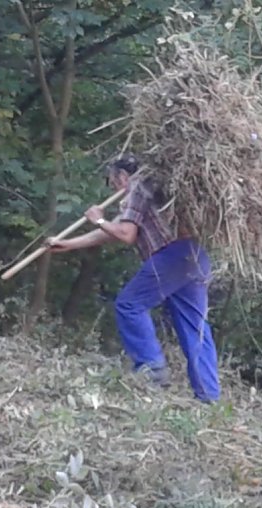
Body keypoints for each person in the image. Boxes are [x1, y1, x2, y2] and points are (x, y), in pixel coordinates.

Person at [45, 154, 220, 403]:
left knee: (129, 304)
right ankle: (209, 396)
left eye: (112, 181)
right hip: (194, 255)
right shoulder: (151, 190)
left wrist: (99, 219)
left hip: (172, 256)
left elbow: (125, 234)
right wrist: (68, 244)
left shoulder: (137, 187)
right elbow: (109, 233)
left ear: (123, 177)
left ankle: (152, 371)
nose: (113, 188)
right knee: (195, 327)